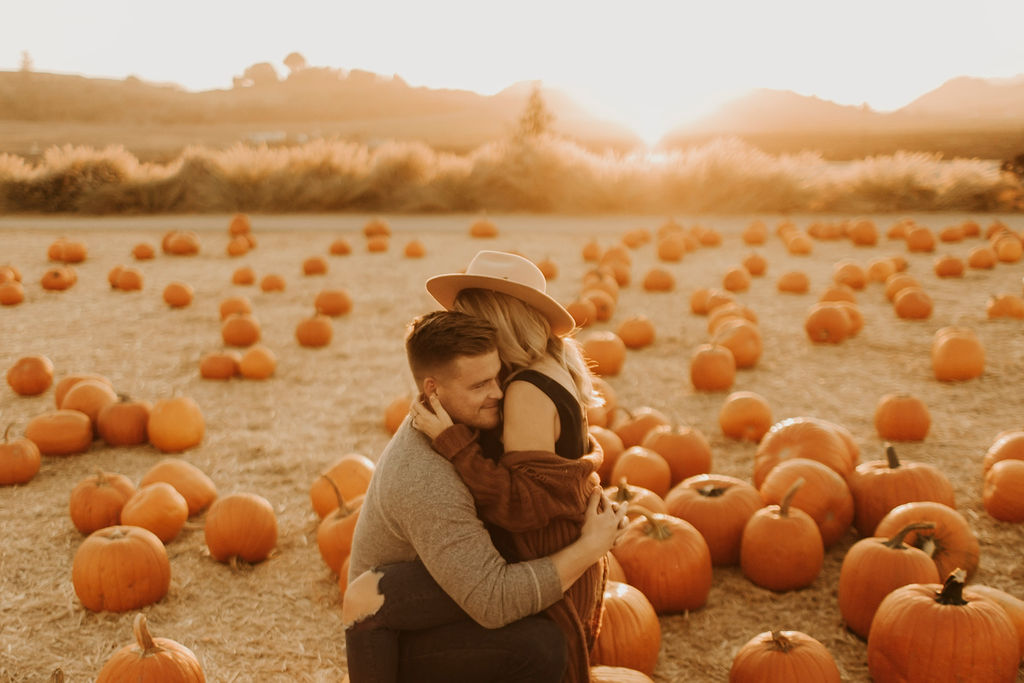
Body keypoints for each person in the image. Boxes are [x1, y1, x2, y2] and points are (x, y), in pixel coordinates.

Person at [344, 307, 624, 683]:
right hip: (400, 636)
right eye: (479, 386)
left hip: (452, 585)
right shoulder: (424, 476)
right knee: (541, 644)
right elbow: (493, 601)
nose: (497, 393)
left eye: (498, 376)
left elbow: (529, 492)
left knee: (539, 600)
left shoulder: (475, 417)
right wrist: (589, 547)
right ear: (433, 389)